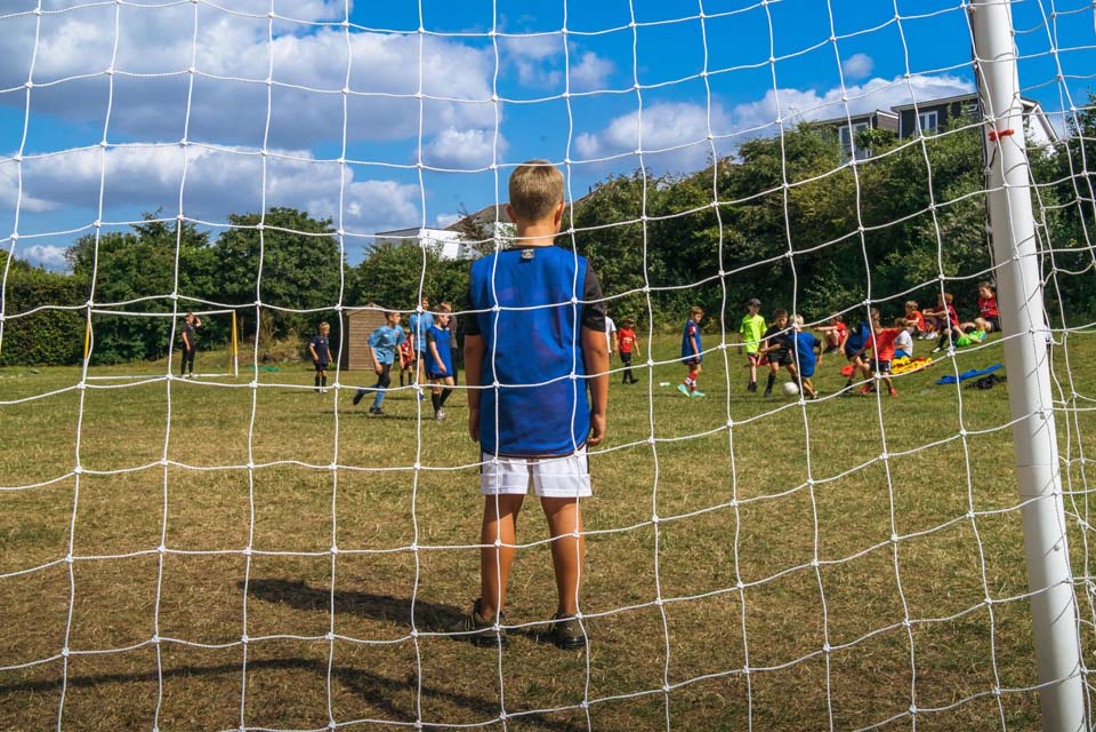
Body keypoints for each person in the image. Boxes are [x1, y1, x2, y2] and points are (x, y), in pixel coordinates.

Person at [452, 160, 609, 650]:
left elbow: (472, 349)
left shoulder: (483, 271)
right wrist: (599, 409)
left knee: (500, 512)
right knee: (564, 513)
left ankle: (491, 616)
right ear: (561, 212)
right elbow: (597, 346)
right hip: (561, 412)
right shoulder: (578, 270)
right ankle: (568, 616)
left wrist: (475, 407)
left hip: (503, 410)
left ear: (507, 211)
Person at [352, 310, 405, 416]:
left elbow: (398, 344)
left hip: (389, 359)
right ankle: (375, 407)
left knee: (381, 383)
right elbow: (371, 345)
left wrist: (401, 358)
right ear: (390, 318)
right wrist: (376, 362)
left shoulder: (399, 329)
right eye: (397, 316)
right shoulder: (382, 330)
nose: (400, 318)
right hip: (380, 358)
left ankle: (362, 391)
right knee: (386, 380)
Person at [425, 302, 456, 421]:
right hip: (434, 364)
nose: (448, 319)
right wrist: (439, 363)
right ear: (439, 316)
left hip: (446, 363)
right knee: (436, 388)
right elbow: (433, 349)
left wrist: (447, 309)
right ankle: (437, 412)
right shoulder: (431, 331)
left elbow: (453, 320)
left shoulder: (446, 331)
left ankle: (439, 405)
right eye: (446, 316)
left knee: (450, 385)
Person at [759, 308, 795, 397]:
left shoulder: (790, 328)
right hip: (773, 352)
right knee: (775, 369)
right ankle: (768, 390)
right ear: (775, 320)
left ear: (787, 319)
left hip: (785, 352)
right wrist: (759, 350)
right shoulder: (772, 330)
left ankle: (800, 387)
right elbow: (763, 339)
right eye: (779, 320)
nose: (781, 322)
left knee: (793, 370)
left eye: (783, 320)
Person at [862, 316, 899, 397]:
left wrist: (908, 326)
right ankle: (869, 384)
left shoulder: (887, 333)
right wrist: (857, 355)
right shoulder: (872, 336)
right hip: (874, 359)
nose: (871, 330)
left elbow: (898, 330)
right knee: (865, 366)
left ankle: (891, 389)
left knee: (885, 376)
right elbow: (866, 346)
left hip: (885, 359)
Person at [841, 308, 875, 393]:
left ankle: (851, 385)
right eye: (872, 317)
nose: (874, 319)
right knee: (860, 365)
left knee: (868, 365)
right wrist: (842, 346)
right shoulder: (861, 325)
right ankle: (868, 384)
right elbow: (848, 333)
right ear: (868, 317)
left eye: (876, 318)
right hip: (851, 348)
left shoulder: (873, 328)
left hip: (860, 349)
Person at [789, 315, 822, 399]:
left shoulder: (792, 338)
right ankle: (812, 390)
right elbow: (820, 342)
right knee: (803, 376)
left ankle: (813, 396)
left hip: (803, 361)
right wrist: (820, 355)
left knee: (799, 380)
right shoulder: (808, 335)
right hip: (811, 359)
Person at [738, 298, 765, 392]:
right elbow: (741, 333)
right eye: (754, 306)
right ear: (749, 307)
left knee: (754, 365)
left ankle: (750, 383)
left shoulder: (761, 319)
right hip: (749, 344)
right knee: (753, 363)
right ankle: (754, 384)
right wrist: (739, 346)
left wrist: (765, 345)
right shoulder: (745, 319)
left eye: (758, 307)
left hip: (758, 345)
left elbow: (764, 332)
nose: (756, 308)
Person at [679, 306, 705, 398]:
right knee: (698, 369)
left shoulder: (690, 324)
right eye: (698, 316)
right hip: (692, 352)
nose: (699, 319)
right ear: (692, 315)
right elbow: (692, 338)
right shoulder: (691, 325)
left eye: (700, 317)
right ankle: (684, 385)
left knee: (692, 370)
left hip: (689, 352)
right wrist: (697, 353)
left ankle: (693, 391)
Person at [409, 295, 434, 388]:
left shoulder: (430, 315)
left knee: (430, 365)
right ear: (419, 304)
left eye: (427, 303)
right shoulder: (413, 317)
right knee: (420, 367)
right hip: (418, 345)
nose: (426, 305)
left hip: (429, 344)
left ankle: (431, 383)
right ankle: (421, 389)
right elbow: (411, 334)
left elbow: (433, 330)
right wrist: (411, 350)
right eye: (424, 303)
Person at [308, 321, 333, 393]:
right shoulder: (316, 338)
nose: (328, 332)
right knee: (319, 373)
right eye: (326, 331)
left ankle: (323, 388)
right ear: (322, 330)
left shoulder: (326, 339)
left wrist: (329, 357)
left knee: (324, 373)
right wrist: (315, 355)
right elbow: (311, 347)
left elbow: (327, 348)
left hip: (324, 359)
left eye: (328, 331)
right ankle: (317, 386)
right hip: (318, 359)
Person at [616, 317, 640, 384]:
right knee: (628, 363)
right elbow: (618, 339)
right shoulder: (622, 331)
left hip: (629, 350)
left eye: (631, 324)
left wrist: (637, 351)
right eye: (629, 323)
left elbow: (635, 342)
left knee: (628, 365)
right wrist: (615, 347)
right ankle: (632, 379)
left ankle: (624, 380)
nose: (630, 325)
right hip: (623, 350)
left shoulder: (632, 332)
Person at [180, 312, 201, 379]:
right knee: (185, 359)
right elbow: (183, 335)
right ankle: (182, 374)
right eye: (191, 317)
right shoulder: (184, 325)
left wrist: (196, 318)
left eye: (192, 317)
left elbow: (199, 324)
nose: (192, 319)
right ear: (187, 318)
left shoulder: (192, 325)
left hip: (192, 344)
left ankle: (191, 373)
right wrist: (187, 344)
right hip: (187, 344)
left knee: (191, 359)